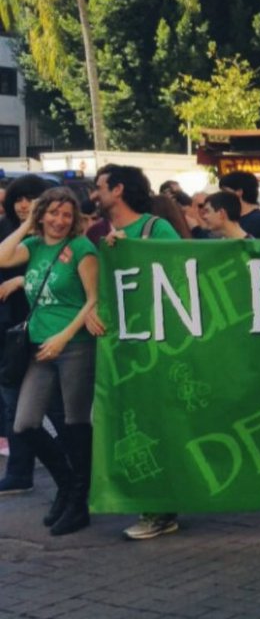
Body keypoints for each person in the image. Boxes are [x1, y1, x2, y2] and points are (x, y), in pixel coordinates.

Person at [90, 165, 184, 539]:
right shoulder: (99, 234)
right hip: (120, 344)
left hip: (155, 343)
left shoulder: (153, 228)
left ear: (118, 189)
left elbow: (180, 270)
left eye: (99, 187)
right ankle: (152, 505)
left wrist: (132, 252)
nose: (94, 194)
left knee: (155, 422)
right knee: (128, 422)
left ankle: (160, 509)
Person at [0, 188, 98, 536]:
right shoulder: (36, 247)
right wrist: (27, 222)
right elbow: (1, 256)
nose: (59, 221)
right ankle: (69, 486)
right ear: (42, 215)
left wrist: (65, 336)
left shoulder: (82, 249)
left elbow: (93, 299)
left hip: (74, 347)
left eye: (66, 215)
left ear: (74, 221)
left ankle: (79, 503)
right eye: (53, 213)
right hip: (39, 346)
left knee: (75, 423)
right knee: (25, 423)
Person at [0, 176, 52, 496]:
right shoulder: (8, 232)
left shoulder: (57, 236)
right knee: (13, 403)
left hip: (50, 330)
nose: (23, 204)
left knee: (59, 409)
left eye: (31, 198)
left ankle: (77, 471)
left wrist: (22, 280)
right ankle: (20, 471)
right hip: (10, 332)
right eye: (19, 198)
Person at [220, 171, 260, 240]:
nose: (221, 196)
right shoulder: (240, 219)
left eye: (224, 191)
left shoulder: (258, 222)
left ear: (239, 192)